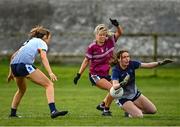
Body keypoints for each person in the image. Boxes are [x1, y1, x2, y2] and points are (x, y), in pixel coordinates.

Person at [7, 25, 68, 118]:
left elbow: (13, 56)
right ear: (44, 37)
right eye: (49, 38)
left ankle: (12, 113)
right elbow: (43, 57)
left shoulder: (28, 42)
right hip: (24, 65)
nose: (49, 40)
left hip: (14, 66)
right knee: (49, 85)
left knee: (21, 90)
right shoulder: (42, 42)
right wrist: (50, 72)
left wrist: (10, 73)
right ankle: (53, 111)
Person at [73, 18, 123, 116]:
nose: (101, 37)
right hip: (95, 75)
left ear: (106, 35)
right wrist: (78, 74)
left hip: (106, 74)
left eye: (103, 35)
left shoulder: (110, 41)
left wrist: (117, 25)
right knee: (114, 89)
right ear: (96, 35)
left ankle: (103, 104)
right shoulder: (92, 47)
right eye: (99, 35)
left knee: (116, 87)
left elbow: (120, 33)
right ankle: (106, 110)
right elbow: (86, 61)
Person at [111, 50, 174, 118]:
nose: (127, 59)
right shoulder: (116, 70)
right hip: (123, 98)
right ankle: (131, 111)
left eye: (128, 56)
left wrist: (161, 63)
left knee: (153, 110)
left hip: (134, 94)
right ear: (119, 59)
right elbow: (115, 86)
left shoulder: (132, 64)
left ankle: (131, 112)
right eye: (124, 57)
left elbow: (148, 65)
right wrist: (122, 83)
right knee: (139, 116)